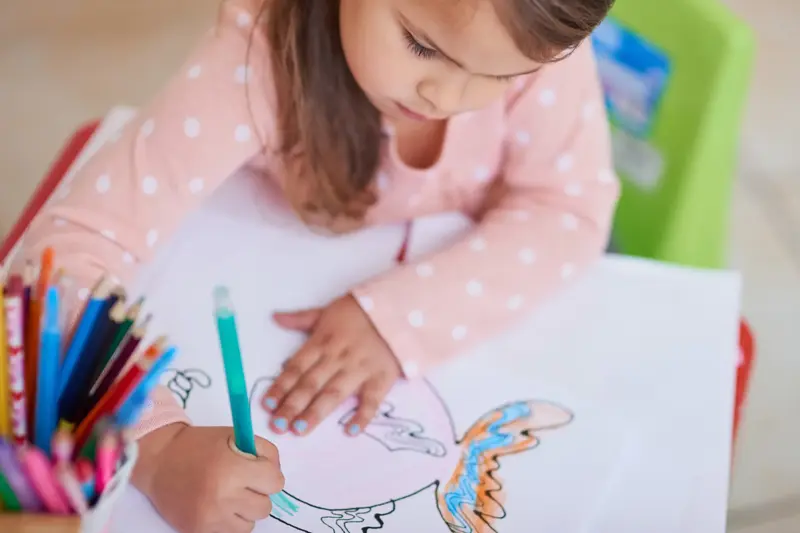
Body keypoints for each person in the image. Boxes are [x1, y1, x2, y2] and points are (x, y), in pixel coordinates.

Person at [21, 0, 619, 531]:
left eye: (502, 75)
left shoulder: (538, 30)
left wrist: (400, 318)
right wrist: (154, 446)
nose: (447, 98)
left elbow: (569, 208)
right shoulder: (256, 56)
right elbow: (63, 259)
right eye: (420, 45)